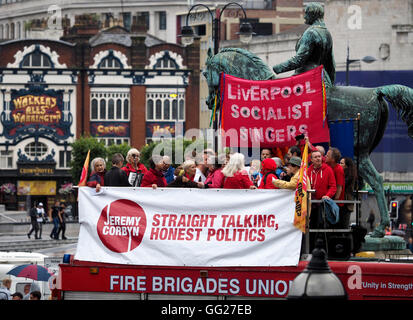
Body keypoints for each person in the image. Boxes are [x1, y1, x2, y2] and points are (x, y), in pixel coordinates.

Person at [272, 2, 335, 88]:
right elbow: (331, 63)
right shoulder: (327, 33)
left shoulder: (311, 33)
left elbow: (298, 60)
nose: (304, 17)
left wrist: (277, 68)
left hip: (306, 78)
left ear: (313, 15)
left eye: (306, 13)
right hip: (323, 78)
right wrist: (331, 83)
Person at [308, 150, 337, 234]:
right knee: (310, 227)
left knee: (321, 226)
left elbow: (333, 187)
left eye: (319, 156)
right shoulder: (308, 171)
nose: (318, 159)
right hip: (309, 204)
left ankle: (321, 245)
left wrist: (327, 195)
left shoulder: (328, 170)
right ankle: (311, 246)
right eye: (315, 157)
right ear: (311, 160)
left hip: (322, 203)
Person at [326, 147, 347, 228]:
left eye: (327, 155)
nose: (325, 156)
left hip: (336, 203)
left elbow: (339, 187)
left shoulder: (338, 169)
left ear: (333, 159)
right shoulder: (328, 166)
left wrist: (335, 201)